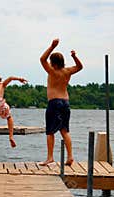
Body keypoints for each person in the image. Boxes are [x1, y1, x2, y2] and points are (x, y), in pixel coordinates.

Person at [39, 38, 83, 166]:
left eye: (51, 62)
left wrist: (52, 46)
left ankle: (50, 157)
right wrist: (75, 56)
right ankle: (70, 157)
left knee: (50, 131)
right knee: (64, 130)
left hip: (54, 103)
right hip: (65, 103)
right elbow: (80, 67)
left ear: (53, 63)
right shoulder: (67, 71)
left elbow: (42, 59)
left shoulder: (52, 71)